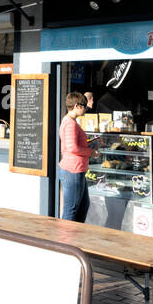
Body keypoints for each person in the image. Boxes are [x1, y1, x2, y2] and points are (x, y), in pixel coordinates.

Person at [59, 92, 95, 222]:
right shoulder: (70, 124)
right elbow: (73, 148)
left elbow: (74, 145)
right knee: (71, 209)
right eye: (84, 106)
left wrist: (90, 143)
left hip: (76, 170)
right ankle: (64, 240)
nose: (85, 108)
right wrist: (91, 152)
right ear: (76, 106)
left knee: (83, 206)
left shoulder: (70, 121)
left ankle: (74, 237)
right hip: (72, 170)